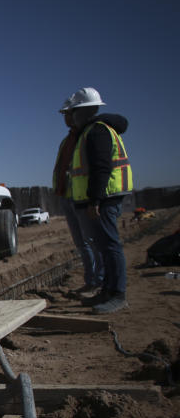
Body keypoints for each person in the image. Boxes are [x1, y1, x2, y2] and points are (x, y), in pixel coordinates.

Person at [59, 87, 133, 314]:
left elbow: (102, 168)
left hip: (104, 199)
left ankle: (117, 294)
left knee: (110, 246)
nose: (69, 117)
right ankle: (107, 290)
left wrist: (95, 201)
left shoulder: (97, 131)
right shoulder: (89, 131)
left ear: (82, 111)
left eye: (72, 112)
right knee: (103, 246)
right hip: (100, 199)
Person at [53, 96, 104, 296]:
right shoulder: (69, 140)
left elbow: (97, 167)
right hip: (69, 195)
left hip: (82, 198)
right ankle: (91, 281)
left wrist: (94, 199)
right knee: (82, 243)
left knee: (93, 241)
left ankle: (100, 281)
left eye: (68, 113)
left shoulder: (89, 135)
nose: (66, 118)